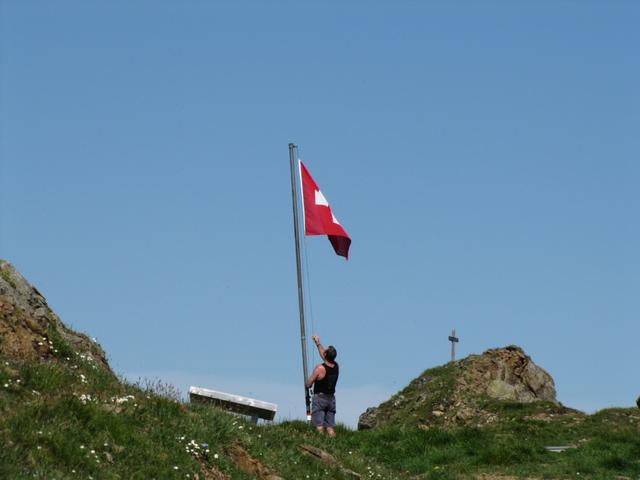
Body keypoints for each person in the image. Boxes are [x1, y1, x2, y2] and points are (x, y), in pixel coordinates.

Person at [306, 334, 339, 437]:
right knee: (330, 427)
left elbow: (309, 384)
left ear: (325, 355)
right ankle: (333, 442)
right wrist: (317, 343)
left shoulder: (319, 368)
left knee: (319, 425)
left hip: (320, 399)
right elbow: (324, 355)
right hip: (331, 399)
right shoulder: (336, 366)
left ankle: (321, 442)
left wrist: (308, 382)